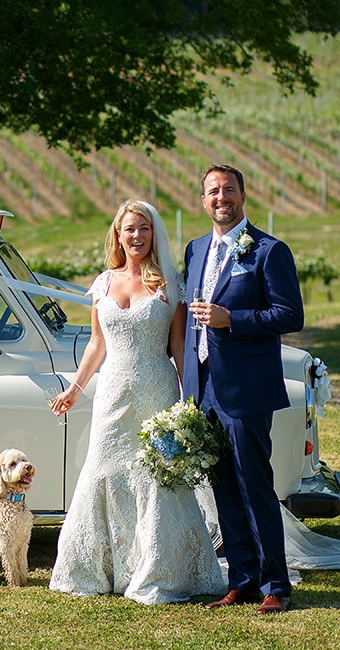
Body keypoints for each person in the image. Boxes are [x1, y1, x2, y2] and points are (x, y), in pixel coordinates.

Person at [48, 199, 225, 604]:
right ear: (117, 234)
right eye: (129, 229)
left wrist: (190, 401)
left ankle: (161, 570)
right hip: (112, 393)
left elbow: (179, 347)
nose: (137, 236)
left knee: (158, 476)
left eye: (144, 228)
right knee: (102, 469)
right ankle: (98, 570)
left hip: (156, 390)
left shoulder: (169, 284)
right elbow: (96, 344)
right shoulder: (104, 282)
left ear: (153, 233)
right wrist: (74, 389)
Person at [184, 164, 304, 616]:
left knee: (255, 485)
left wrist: (232, 319)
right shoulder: (196, 249)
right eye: (213, 192)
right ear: (203, 200)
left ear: (243, 196)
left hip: (247, 387)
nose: (221, 198)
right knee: (223, 488)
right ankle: (242, 580)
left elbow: (289, 315)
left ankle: (276, 584)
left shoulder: (270, 251)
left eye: (229, 190)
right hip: (205, 387)